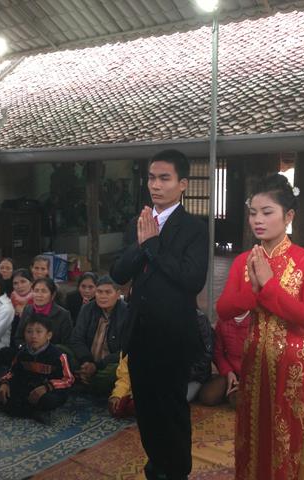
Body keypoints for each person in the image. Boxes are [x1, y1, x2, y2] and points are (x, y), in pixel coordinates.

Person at [216, 173, 304, 480]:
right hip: (254, 357)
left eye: (267, 212)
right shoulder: (243, 261)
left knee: (289, 434)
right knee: (253, 432)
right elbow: (223, 310)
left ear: (288, 216)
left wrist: (268, 286)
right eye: (253, 213)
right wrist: (253, 291)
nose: (258, 220)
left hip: (295, 362)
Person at [110, 149, 209, 480]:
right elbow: (118, 272)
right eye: (152, 178)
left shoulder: (194, 228)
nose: (155, 185)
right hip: (140, 333)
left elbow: (192, 279)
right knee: (147, 409)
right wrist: (141, 244)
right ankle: (156, 468)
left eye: (164, 178)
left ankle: (177, 472)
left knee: (171, 409)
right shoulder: (140, 223)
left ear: (182, 184)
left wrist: (152, 246)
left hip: (172, 336)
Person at [108, 309, 212, 419]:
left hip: (190, 378)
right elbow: (126, 372)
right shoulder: (139, 323)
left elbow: (202, 361)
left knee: (167, 404)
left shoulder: (197, 319)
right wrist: (118, 395)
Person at [0, 313, 74, 424]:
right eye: (29, 332)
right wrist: (5, 383)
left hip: (49, 390)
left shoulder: (58, 355)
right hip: (29, 387)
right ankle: (33, 412)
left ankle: (22, 409)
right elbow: (12, 372)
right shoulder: (22, 353)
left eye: (39, 332)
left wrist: (47, 387)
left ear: (48, 335)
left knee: (48, 400)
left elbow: (68, 379)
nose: (33, 336)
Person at [68, 276, 128, 396]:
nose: (102, 296)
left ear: (118, 294)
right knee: (61, 352)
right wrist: (87, 361)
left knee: (112, 373)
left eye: (108, 292)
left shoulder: (127, 313)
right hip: (86, 360)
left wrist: (97, 365)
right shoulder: (87, 309)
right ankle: (84, 377)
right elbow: (76, 338)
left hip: (108, 364)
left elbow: (125, 350)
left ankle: (84, 382)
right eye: (99, 292)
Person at [198, 311, 251, 409]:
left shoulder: (257, 320)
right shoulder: (223, 320)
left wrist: (246, 380)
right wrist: (228, 372)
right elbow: (218, 353)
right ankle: (231, 391)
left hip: (251, 375)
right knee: (207, 397)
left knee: (239, 402)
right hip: (230, 372)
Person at [12, 278, 72, 349]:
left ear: (52, 295)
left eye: (44, 291)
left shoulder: (63, 315)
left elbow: (67, 344)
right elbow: (18, 337)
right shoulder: (27, 309)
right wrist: (23, 347)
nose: (39, 295)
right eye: (36, 291)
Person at [9, 268, 34, 346]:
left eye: (23, 281)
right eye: (15, 283)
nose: (19, 286)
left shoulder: (38, 300)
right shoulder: (10, 301)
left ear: (31, 283)